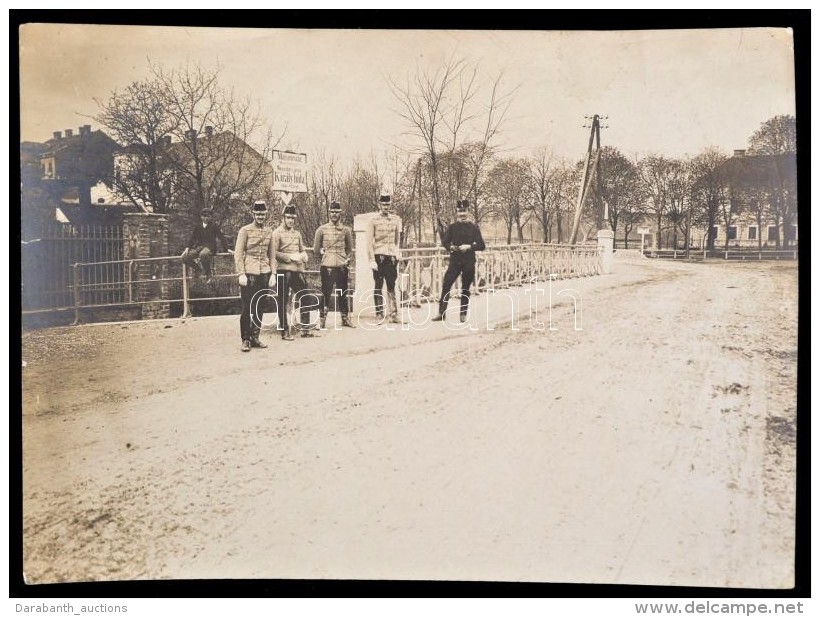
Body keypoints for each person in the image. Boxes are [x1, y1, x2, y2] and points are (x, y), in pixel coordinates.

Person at [432, 199, 486, 323]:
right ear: (457, 212)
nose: (462, 214)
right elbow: (445, 241)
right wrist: (450, 247)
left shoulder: (473, 227)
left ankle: (463, 314)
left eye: (464, 211)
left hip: (468, 261)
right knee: (446, 285)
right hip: (455, 261)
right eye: (460, 211)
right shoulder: (452, 227)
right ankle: (441, 312)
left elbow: (482, 245)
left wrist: (469, 247)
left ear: (468, 211)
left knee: (465, 288)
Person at [234, 200, 275, 352]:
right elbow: (238, 254)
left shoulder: (269, 232)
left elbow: (272, 255)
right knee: (246, 307)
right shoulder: (245, 230)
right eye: (257, 214)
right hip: (249, 273)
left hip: (264, 273)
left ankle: (255, 337)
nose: (260, 216)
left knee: (260, 306)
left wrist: (273, 274)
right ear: (253, 214)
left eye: (263, 214)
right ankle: (245, 339)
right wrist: (241, 273)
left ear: (266, 215)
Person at [272, 203, 314, 340]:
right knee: (282, 300)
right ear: (283, 218)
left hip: (296, 271)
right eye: (288, 217)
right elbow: (273, 253)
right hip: (283, 271)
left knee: (305, 296)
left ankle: (305, 328)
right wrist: (289, 257)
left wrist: (304, 256)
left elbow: (302, 249)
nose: (290, 220)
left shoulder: (297, 234)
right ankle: (284, 330)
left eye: (292, 218)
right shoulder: (276, 233)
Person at [313, 201, 355, 329]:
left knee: (343, 292)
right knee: (325, 292)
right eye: (332, 212)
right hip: (327, 266)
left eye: (336, 212)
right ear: (329, 213)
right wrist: (324, 254)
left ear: (340, 213)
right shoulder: (322, 229)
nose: (334, 214)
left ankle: (345, 318)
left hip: (341, 265)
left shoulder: (346, 230)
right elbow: (316, 249)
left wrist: (342, 257)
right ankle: (322, 319)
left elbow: (349, 248)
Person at [366, 193, 402, 323]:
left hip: (391, 256)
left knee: (391, 284)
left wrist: (396, 252)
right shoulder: (373, 221)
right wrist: (371, 260)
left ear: (390, 204)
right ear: (379, 205)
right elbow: (369, 242)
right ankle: (379, 314)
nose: (386, 207)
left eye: (387, 204)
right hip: (379, 256)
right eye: (383, 204)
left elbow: (397, 239)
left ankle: (393, 314)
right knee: (378, 284)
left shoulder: (395, 220)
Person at [181, 208, 232, 283]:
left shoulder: (214, 226)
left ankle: (208, 274)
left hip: (210, 247)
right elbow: (192, 238)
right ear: (201, 217)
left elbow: (222, 237)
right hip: (200, 247)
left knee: (203, 254)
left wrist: (227, 249)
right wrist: (187, 248)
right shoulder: (198, 226)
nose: (206, 218)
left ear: (211, 217)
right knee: (184, 257)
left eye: (208, 216)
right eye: (204, 216)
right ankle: (198, 270)